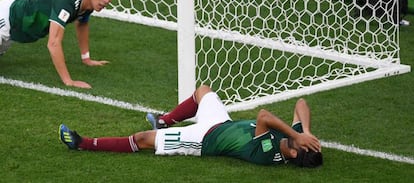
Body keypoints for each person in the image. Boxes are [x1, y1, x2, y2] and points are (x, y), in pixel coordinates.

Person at [59, 85, 323, 167]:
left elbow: (264, 115)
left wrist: (295, 134)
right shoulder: (295, 140)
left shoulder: (269, 153)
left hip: (202, 139)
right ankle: (164, 120)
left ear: (291, 154)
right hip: (221, 122)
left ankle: (82, 143)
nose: (298, 140)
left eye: (300, 145)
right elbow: (301, 103)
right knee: (203, 91)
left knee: (143, 139)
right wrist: (306, 133)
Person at [0, 0, 120, 89]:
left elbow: (82, 23)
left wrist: (86, 58)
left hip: (12, 32)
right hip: (6, 18)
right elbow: (53, 43)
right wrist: (69, 81)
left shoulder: (88, 1)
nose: (106, 1)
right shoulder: (66, 1)